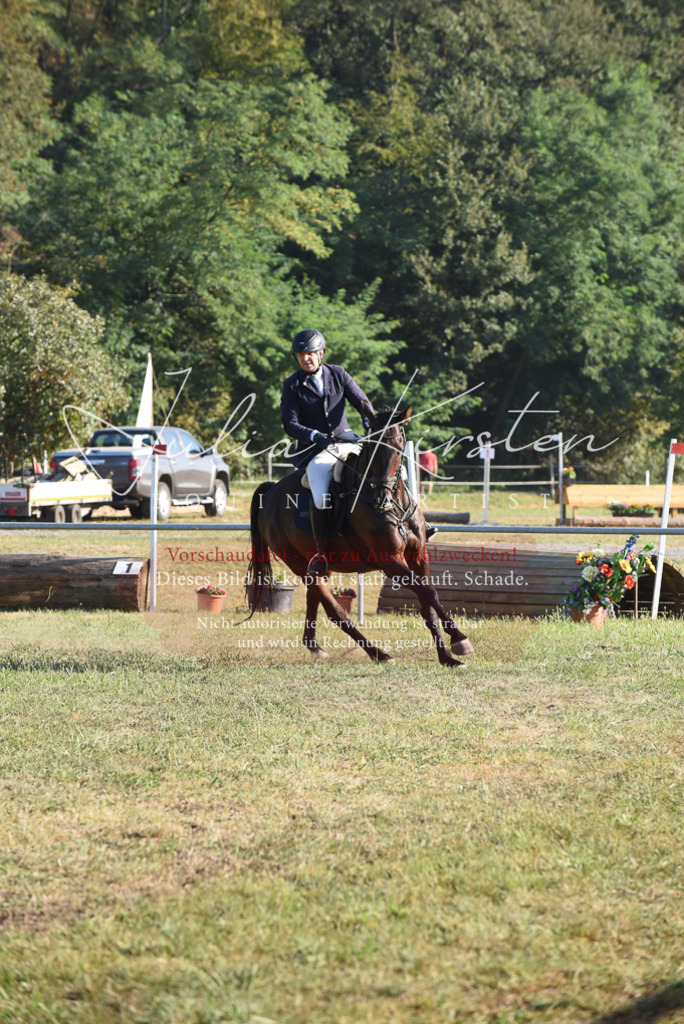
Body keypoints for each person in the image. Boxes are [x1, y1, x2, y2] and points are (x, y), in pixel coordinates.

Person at [281, 329, 374, 576]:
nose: (305, 358)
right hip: (315, 449)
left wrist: (369, 421)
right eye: (300, 354)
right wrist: (314, 435)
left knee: (389, 467)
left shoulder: (338, 373)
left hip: (347, 440)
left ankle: (415, 523)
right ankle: (321, 554)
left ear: (321, 353)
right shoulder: (292, 385)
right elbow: (290, 424)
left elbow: (361, 401)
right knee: (322, 494)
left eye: (310, 353)